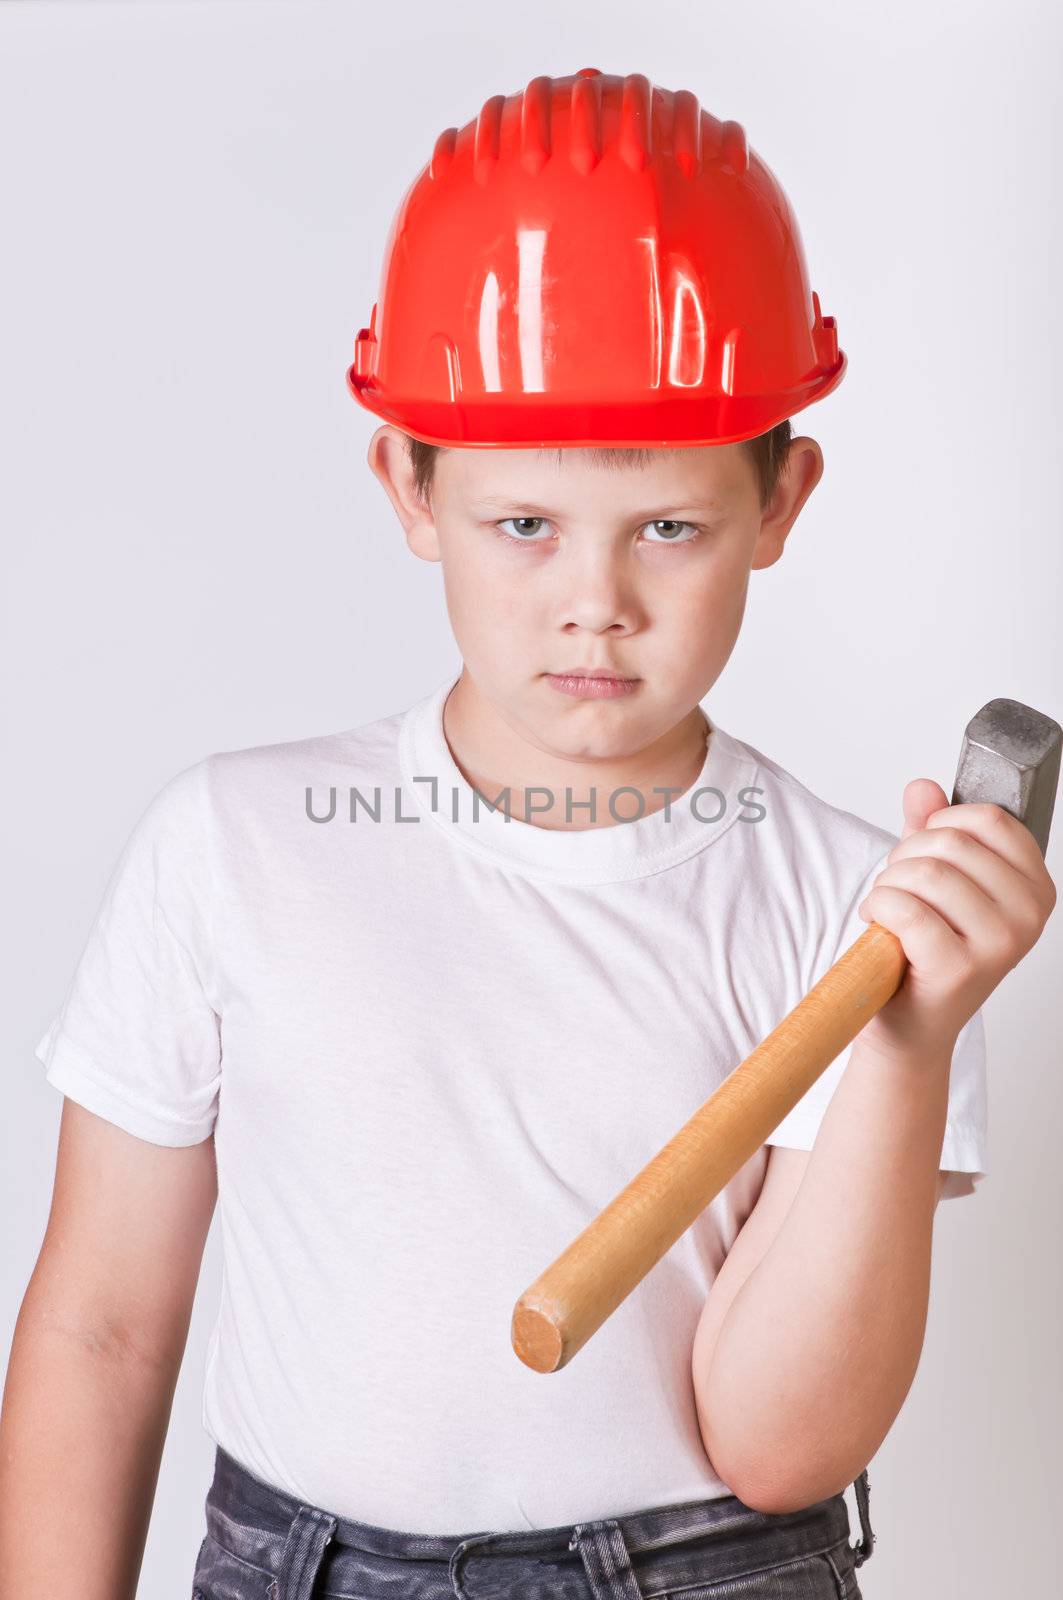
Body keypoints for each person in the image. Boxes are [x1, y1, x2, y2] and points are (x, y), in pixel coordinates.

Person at [1, 68, 1055, 1600]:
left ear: (782, 499)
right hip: (297, 1565)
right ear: (408, 485)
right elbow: (100, 1326)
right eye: (524, 526)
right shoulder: (233, 844)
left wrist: (901, 1042)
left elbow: (779, 1445)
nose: (595, 602)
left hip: (701, 1570)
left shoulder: (867, 913)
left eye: (671, 529)